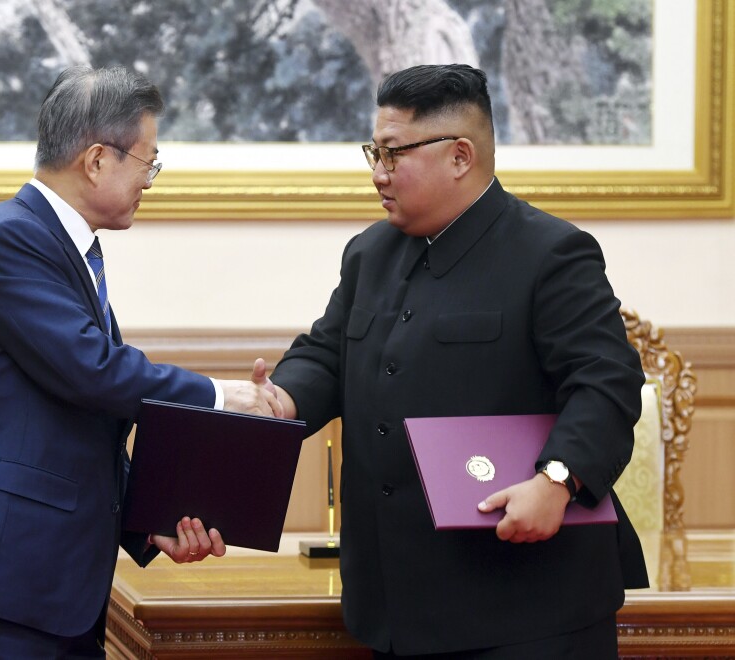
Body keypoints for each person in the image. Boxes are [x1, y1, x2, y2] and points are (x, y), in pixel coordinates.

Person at [265, 64, 648, 658]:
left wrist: (557, 481)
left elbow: (607, 383)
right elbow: (328, 354)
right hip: (396, 602)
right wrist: (278, 399)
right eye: (373, 152)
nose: (376, 174)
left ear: (460, 156)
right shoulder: (369, 253)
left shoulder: (551, 253)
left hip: (526, 607)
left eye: (393, 155)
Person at [0, 65, 280, 657]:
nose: (150, 182)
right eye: (147, 162)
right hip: (0, 585)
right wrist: (221, 396)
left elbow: (84, 420)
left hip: (50, 588)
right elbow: (93, 372)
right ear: (98, 159)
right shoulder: (10, 237)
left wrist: (148, 522)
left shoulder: (66, 251)